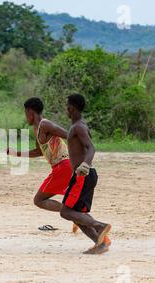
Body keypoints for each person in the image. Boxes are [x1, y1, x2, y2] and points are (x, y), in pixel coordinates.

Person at [7, 97, 74, 230]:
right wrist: (16, 153)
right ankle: (76, 215)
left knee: (39, 200)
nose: (26, 116)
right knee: (44, 199)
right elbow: (39, 151)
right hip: (61, 167)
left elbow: (70, 135)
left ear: (30, 112)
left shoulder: (45, 124)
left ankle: (75, 214)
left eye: (26, 113)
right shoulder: (38, 129)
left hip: (63, 165)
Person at [61, 94, 112, 255]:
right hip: (84, 175)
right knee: (78, 215)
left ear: (72, 108)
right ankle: (100, 243)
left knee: (66, 212)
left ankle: (100, 226)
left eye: (67, 107)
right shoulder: (78, 125)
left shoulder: (78, 127)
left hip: (83, 175)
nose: (66, 110)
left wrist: (85, 165)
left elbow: (91, 148)